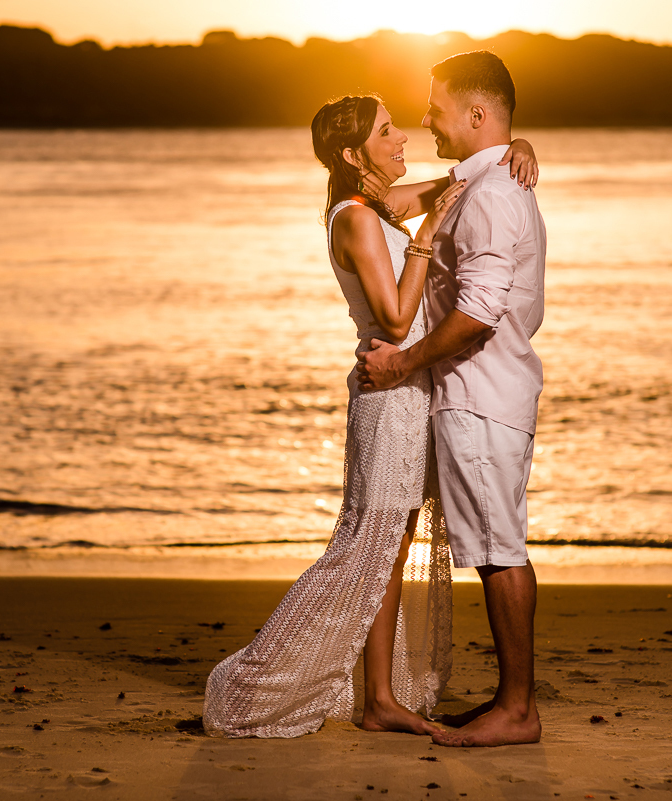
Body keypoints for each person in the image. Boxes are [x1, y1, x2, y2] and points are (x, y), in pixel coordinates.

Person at [202, 93, 538, 739]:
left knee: (390, 544)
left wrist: (510, 153)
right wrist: (427, 240)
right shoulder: (355, 217)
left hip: (409, 391)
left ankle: (380, 697)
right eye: (388, 132)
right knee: (367, 543)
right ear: (356, 154)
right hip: (388, 395)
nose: (403, 137)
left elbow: (447, 182)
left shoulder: (376, 203)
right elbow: (393, 317)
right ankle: (269, 680)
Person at [357, 51, 547, 748]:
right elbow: (441, 191)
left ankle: (519, 710)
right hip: (481, 394)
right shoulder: (487, 180)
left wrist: (404, 359)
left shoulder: (495, 192)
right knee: (497, 545)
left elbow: (480, 312)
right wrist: (485, 160)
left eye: (437, 107)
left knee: (500, 550)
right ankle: (509, 700)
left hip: (480, 394)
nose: (426, 118)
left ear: (475, 114)